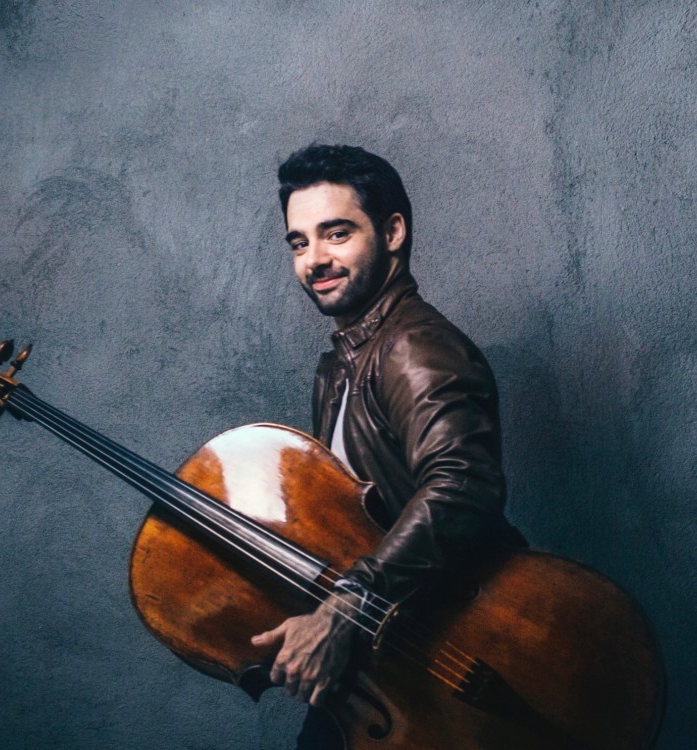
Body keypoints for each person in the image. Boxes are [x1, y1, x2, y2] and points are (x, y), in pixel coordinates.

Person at [249, 144, 524, 746]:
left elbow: (463, 485)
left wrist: (348, 602)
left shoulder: (414, 347)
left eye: (336, 233)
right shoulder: (340, 364)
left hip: (446, 647)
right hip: (388, 659)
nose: (314, 260)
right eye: (299, 242)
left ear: (393, 231)